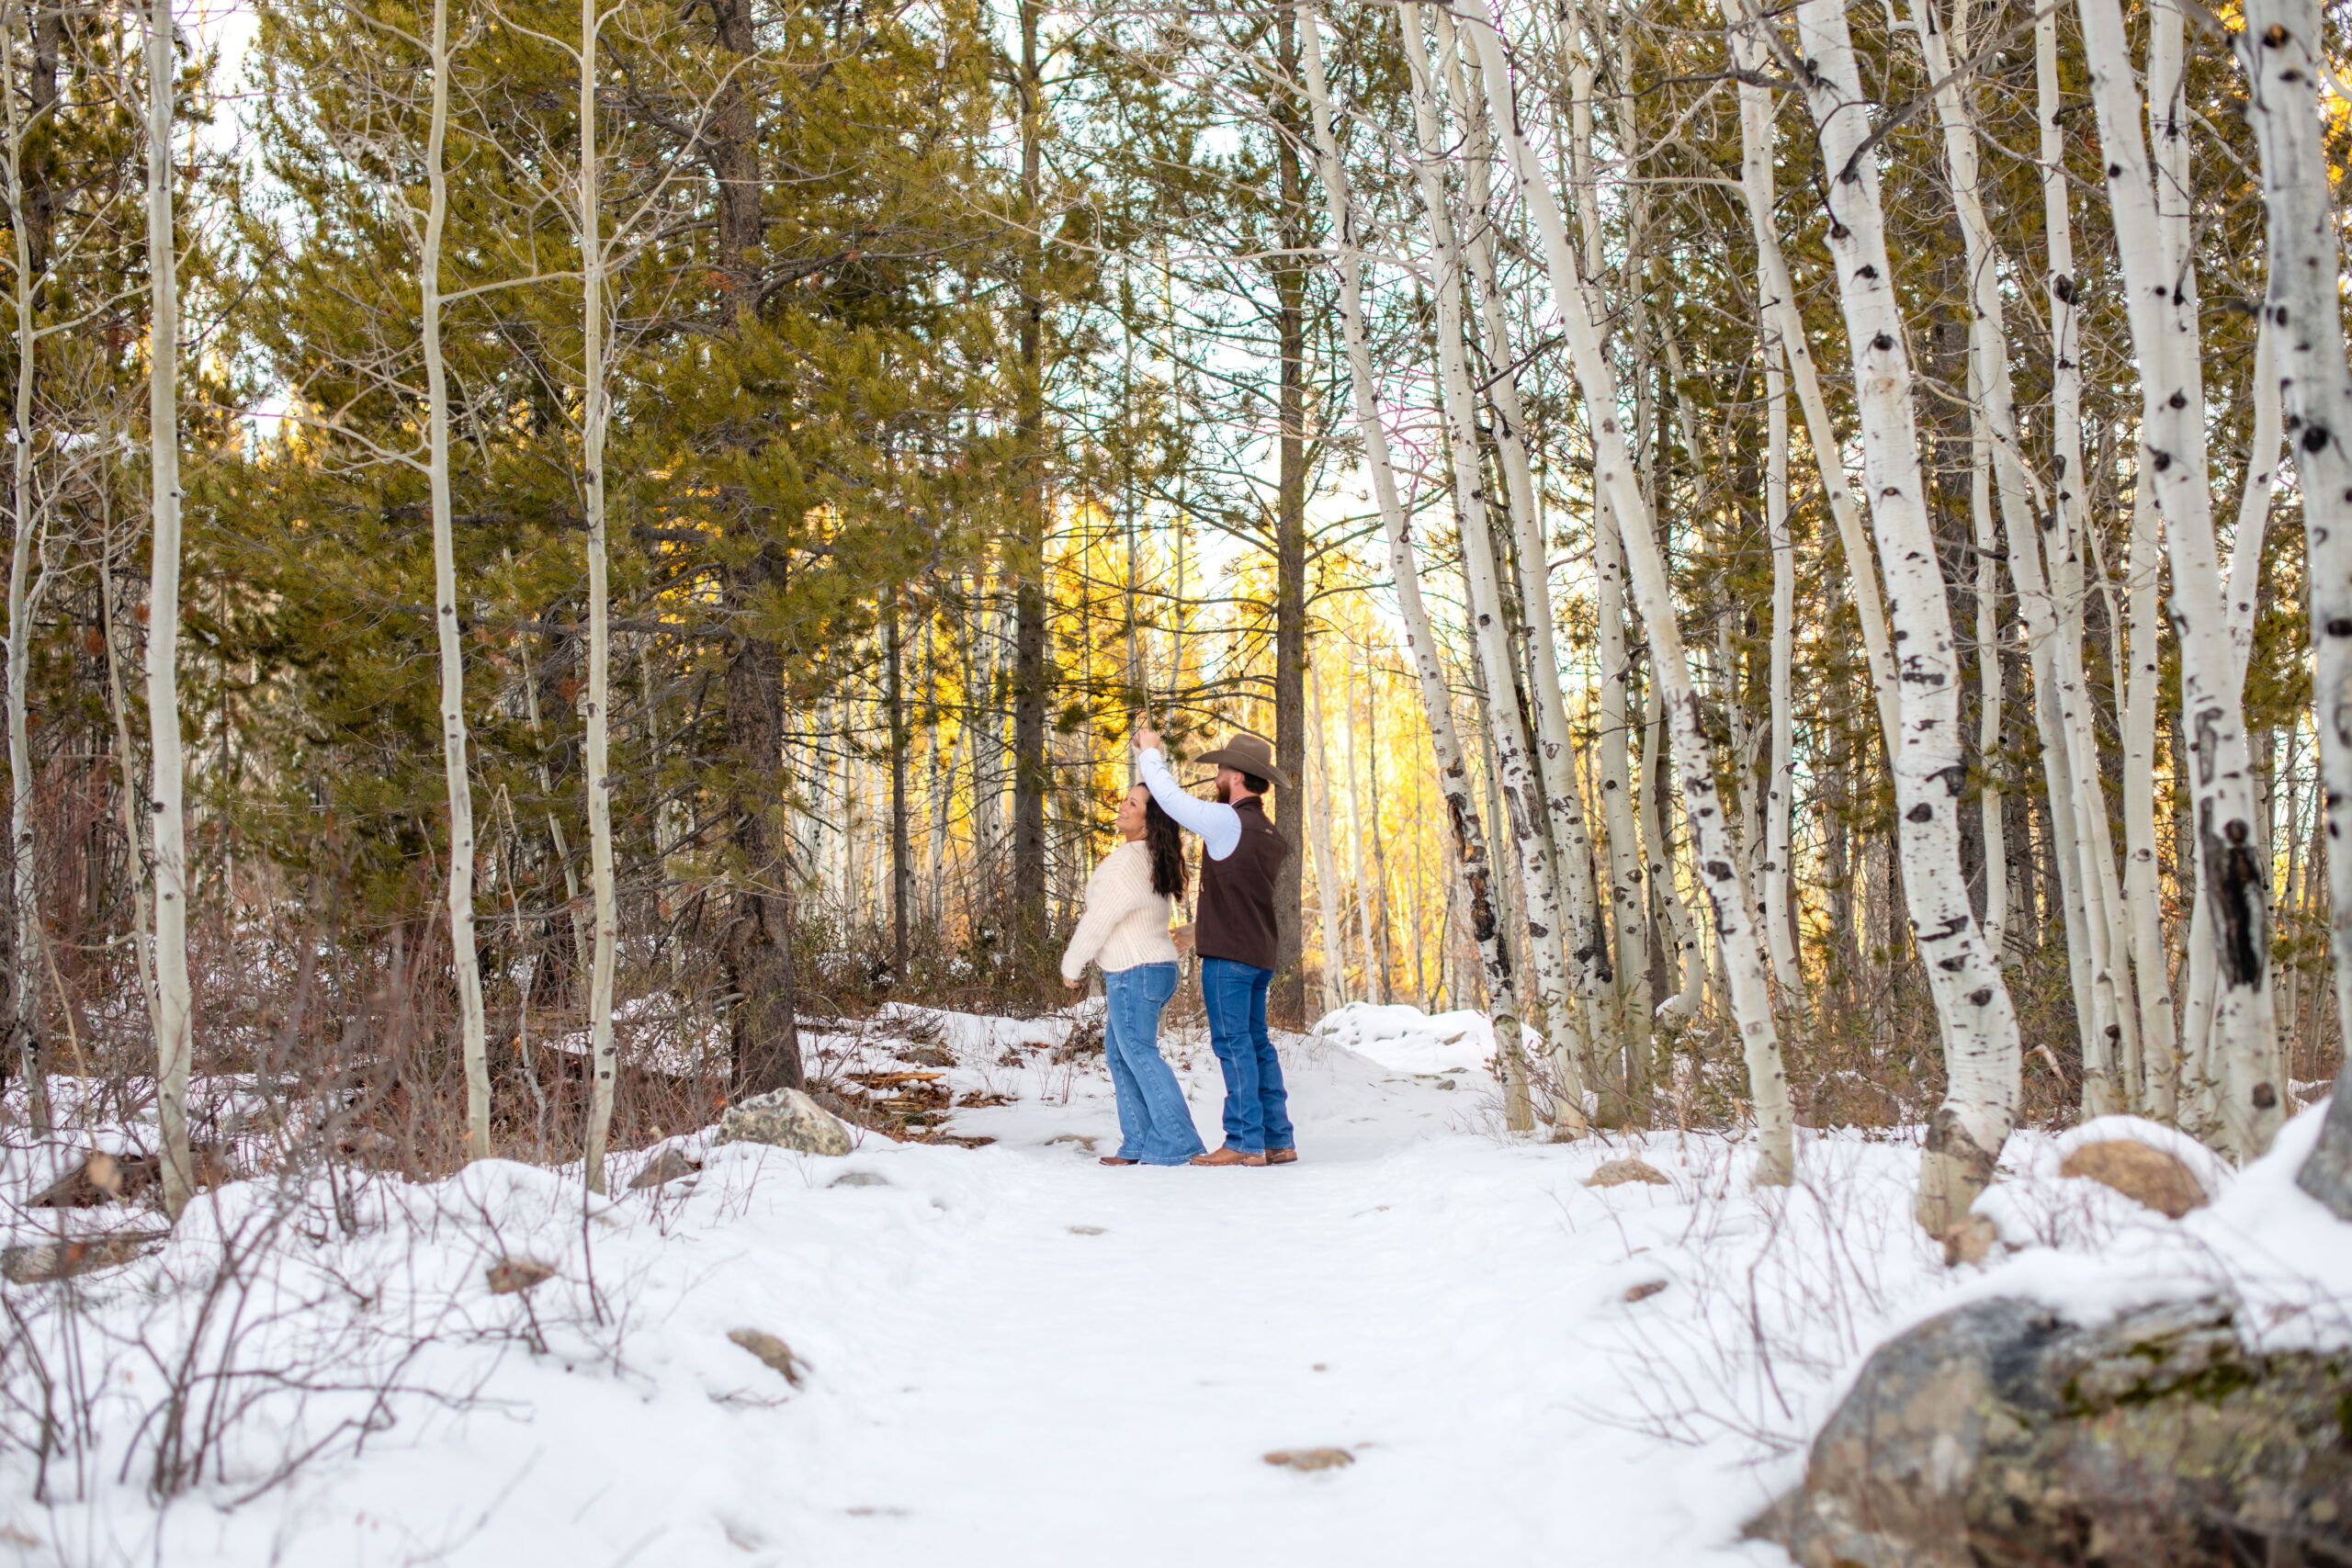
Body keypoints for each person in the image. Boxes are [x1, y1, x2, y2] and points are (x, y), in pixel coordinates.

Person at [1129, 721, 1296, 1168]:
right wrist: (1195, 931)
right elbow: (1242, 898)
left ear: (1237, 776)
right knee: (1257, 1044)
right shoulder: (1268, 834)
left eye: (1222, 768)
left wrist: (1150, 753)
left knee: (1233, 1043)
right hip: (1258, 953)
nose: (1217, 773)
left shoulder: (1228, 821)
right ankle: (1278, 1140)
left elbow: (1172, 801)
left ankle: (1243, 1139)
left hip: (1230, 959)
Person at [1060, 784, 1206, 1168]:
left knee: (1138, 1054)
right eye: (1124, 799)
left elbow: (1099, 919)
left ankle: (1178, 1141)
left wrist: (1071, 964)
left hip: (1134, 971)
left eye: (1133, 803)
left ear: (1149, 818)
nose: (1123, 806)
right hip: (1150, 969)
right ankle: (1139, 1142)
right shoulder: (1149, 856)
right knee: (1121, 1052)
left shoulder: (1128, 861)